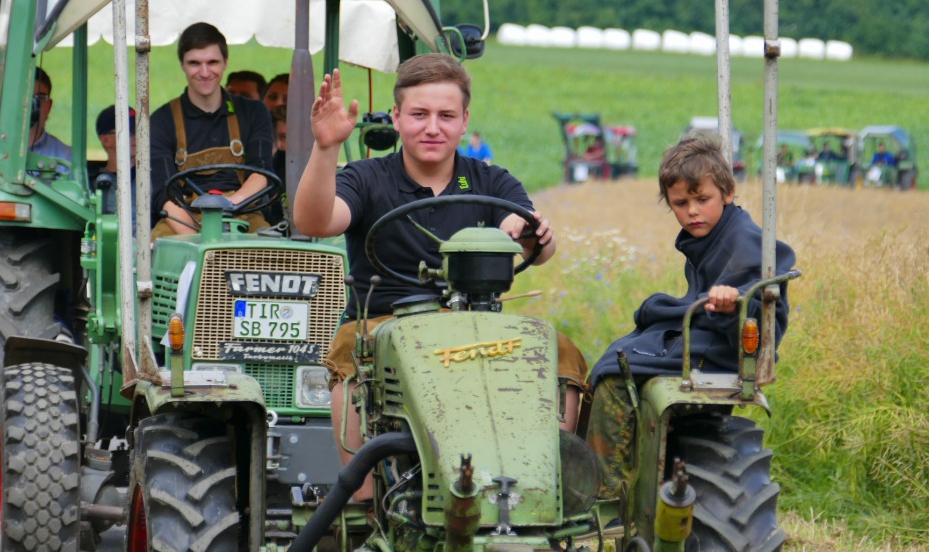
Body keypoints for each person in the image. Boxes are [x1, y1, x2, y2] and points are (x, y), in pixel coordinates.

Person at [294, 53, 587, 499]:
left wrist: (528, 233)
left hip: (478, 325)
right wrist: (326, 147)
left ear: (465, 121)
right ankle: (363, 498)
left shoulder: (490, 180)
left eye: (446, 116)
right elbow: (315, 221)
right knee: (353, 352)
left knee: (560, 353)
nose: (432, 127)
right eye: (419, 114)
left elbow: (536, 241)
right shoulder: (367, 177)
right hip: (384, 324)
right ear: (396, 117)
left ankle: (541, 486)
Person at [585, 133, 796, 498]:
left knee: (615, 376)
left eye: (703, 199)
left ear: (728, 193)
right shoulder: (709, 237)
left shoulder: (744, 240)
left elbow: (762, 308)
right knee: (619, 354)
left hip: (724, 349)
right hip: (706, 337)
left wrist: (735, 301)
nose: (692, 211)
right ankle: (626, 467)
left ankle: (605, 495)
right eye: (681, 203)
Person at [150, 23, 274, 237]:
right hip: (181, 217)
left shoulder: (253, 112)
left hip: (243, 213)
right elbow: (164, 193)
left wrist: (228, 205)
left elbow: (261, 173)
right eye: (195, 63)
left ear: (226, 62)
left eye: (212, 62)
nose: (205, 72)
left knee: (274, 255)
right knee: (155, 253)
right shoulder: (162, 120)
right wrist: (196, 239)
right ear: (182, 65)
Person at [93, 105, 138, 229]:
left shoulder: (154, 176)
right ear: (105, 140)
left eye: (140, 130)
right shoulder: (98, 185)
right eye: (128, 132)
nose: (136, 136)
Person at [30, 67, 72, 164]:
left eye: (40, 97)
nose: (33, 104)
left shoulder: (66, 156)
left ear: (49, 106)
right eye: (26, 96)